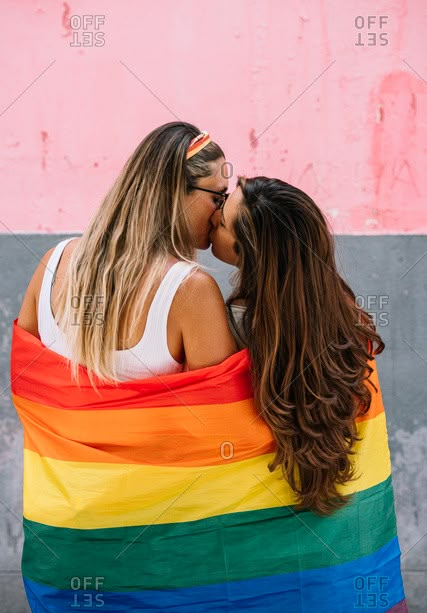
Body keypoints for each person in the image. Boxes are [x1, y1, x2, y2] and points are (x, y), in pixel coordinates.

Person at [210, 175, 387, 515]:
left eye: (222, 223)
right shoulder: (348, 318)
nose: (213, 217)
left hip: (252, 505)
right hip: (329, 498)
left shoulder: (230, 322)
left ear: (247, 253)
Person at [17, 122, 237, 385]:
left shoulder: (53, 262)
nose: (221, 211)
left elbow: (27, 384)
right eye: (218, 196)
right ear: (175, 193)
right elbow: (220, 412)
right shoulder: (191, 290)